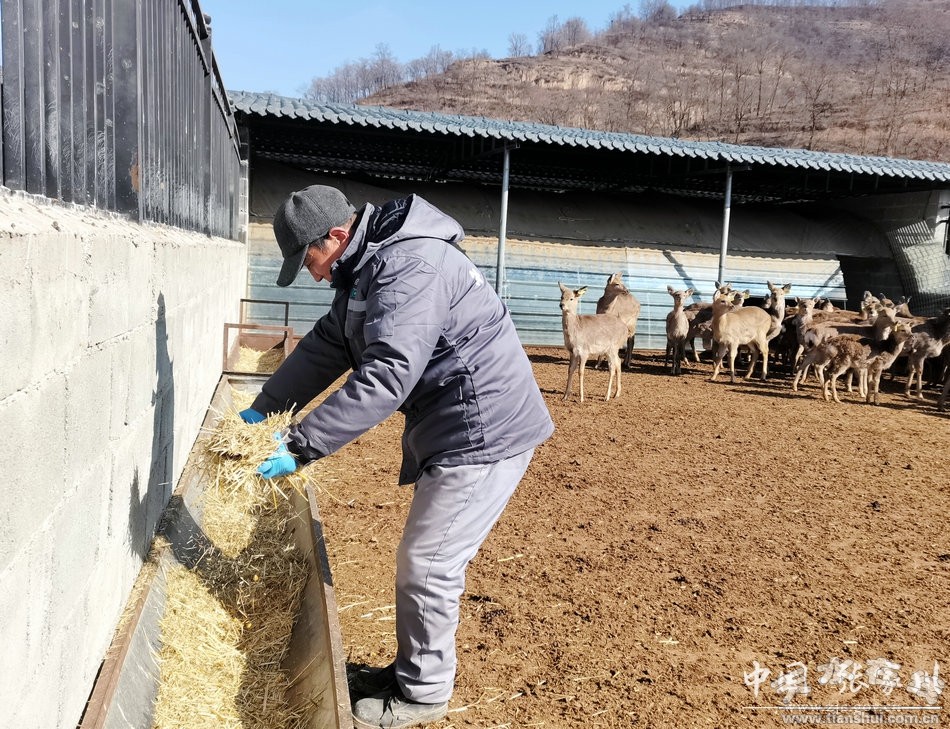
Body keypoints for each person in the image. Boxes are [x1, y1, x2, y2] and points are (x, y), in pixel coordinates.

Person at [240, 184, 554, 729]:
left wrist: (300, 445)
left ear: (336, 236)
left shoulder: (410, 267)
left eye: (310, 260)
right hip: (453, 419)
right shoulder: (367, 264)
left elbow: (387, 374)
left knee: (428, 564)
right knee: (422, 560)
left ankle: (425, 693)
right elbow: (328, 346)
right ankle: (408, 671)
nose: (313, 275)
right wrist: (263, 411)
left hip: (483, 427)